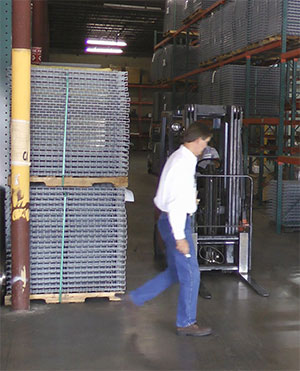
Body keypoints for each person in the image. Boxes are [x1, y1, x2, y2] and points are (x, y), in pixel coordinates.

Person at [127, 122, 213, 337]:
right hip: (176, 222)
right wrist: (180, 237)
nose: (205, 147)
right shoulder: (182, 164)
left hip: (168, 220)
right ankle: (186, 323)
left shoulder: (180, 158)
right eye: (204, 142)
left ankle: (136, 298)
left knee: (176, 271)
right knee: (191, 273)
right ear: (196, 140)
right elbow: (175, 203)